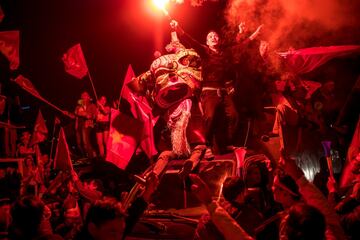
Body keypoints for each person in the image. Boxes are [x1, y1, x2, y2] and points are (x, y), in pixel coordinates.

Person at [74, 91, 97, 158]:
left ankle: (91, 157)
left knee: (85, 143)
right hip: (79, 125)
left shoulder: (92, 105)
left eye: (85, 95)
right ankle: (85, 156)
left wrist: (89, 116)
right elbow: (75, 115)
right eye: (83, 95)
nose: (84, 97)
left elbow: (95, 116)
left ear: (88, 97)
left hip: (86, 125)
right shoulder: (78, 106)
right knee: (79, 144)